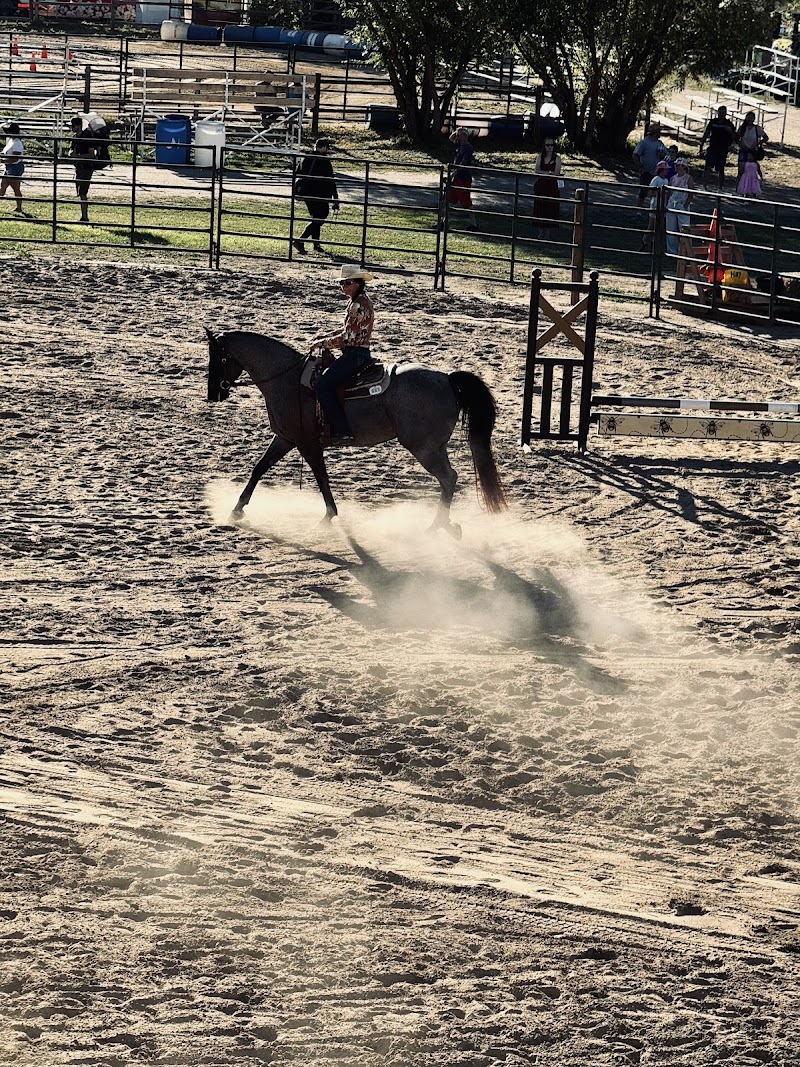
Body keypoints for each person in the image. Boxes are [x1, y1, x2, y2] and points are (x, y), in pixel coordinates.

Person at [311, 264, 375, 443]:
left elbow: (347, 336)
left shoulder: (358, 305)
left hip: (354, 355)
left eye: (347, 283)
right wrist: (326, 335)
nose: (343, 287)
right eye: (342, 283)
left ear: (357, 283)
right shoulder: (359, 301)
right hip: (356, 352)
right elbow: (349, 328)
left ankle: (343, 430)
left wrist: (323, 343)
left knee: (322, 385)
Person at [293, 137, 339, 255]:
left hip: (307, 193)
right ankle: (300, 240)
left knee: (316, 218)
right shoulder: (323, 160)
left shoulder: (305, 157)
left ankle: (316, 245)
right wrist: (335, 198)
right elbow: (330, 180)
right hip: (320, 193)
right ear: (322, 148)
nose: (327, 151)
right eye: (326, 148)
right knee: (321, 216)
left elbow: (298, 173)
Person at [699, 105, 738, 190]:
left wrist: (730, 132)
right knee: (708, 167)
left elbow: (734, 137)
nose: (721, 114)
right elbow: (706, 133)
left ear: (726, 113)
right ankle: (704, 185)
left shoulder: (729, 124)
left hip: (723, 149)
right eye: (720, 112)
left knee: (721, 169)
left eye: (723, 113)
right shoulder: (713, 122)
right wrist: (701, 144)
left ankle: (720, 187)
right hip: (712, 147)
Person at [447, 127, 477, 229]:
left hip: (464, 178)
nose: (462, 136)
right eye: (460, 135)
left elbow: (463, 165)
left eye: (464, 134)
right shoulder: (460, 146)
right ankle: (444, 222)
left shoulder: (468, 148)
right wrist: (457, 132)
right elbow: (451, 138)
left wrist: (452, 175)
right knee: (449, 200)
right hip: (457, 178)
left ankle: (474, 224)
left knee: (466, 202)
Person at [532, 137, 562, 239]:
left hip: (552, 187)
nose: (550, 147)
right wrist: (548, 173)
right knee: (540, 209)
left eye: (551, 145)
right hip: (541, 186)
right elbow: (537, 170)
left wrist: (547, 173)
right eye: (547, 145)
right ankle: (540, 233)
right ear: (544, 146)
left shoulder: (557, 158)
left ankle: (548, 234)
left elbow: (557, 173)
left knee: (550, 209)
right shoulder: (540, 157)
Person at [69, 115, 97, 224]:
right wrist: (72, 154)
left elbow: (91, 154)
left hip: (86, 168)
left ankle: (85, 217)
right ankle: (84, 216)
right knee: (81, 193)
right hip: (79, 168)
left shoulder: (87, 136)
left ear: (79, 126)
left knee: (83, 193)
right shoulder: (75, 138)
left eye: (73, 126)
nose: (72, 128)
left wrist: (79, 156)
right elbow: (70, 151)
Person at [666, 157, 696, 256]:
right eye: (676, 165)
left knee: (684, 228)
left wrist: (686, 204)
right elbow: (669, 192)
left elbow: (691, 193)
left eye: (679, 165)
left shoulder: (688, 178)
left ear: (684, 167)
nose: (676, 167)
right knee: (671, 228)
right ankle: (672, 250)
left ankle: (685, 250)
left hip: (682, 204)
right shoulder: (673, 178)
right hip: (672, 204)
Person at [640, 159, 670, 251]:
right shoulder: (656, 180)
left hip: (662, 204)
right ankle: (645, 240)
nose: (667, 171)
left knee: (659, 224)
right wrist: (659, 193)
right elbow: (650, 193)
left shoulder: (666, 181)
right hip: (655, 204)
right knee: (652, 224)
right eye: (665, 170)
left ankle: (653, 242)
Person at [633, 124, 667, 206]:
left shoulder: (659, 143)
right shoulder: (644, 143)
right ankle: (639, 209)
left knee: (657, 192)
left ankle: (654, 208)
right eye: (658, 132)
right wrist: (640, 167)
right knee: (643, 191)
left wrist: (662, 155)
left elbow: (666, 155)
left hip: (657, 172)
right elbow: (635, 155)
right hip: (646, 171)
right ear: (655, 133)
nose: (660, 134)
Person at [0, 122, 25, 214]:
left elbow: (15, 158)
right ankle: (19, 207)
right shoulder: (11, 141)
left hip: (14, 167)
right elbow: (5, 152)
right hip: (9, 166)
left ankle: (19, 207)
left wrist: (3, 161)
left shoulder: (17, 143)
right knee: (4, 187)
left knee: (14, 187)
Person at [737, 111, 768, 176]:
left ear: (754, 119)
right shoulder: (742, 128)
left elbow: (766, 137)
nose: (749, 119)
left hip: (753, 151)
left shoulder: (757, 129)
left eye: (751, 118)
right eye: (748, 118)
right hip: (743, 150)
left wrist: (759, 143)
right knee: (741, 170)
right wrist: (740, 144)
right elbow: (736, 138)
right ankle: (739, 185)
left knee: (752, 169)